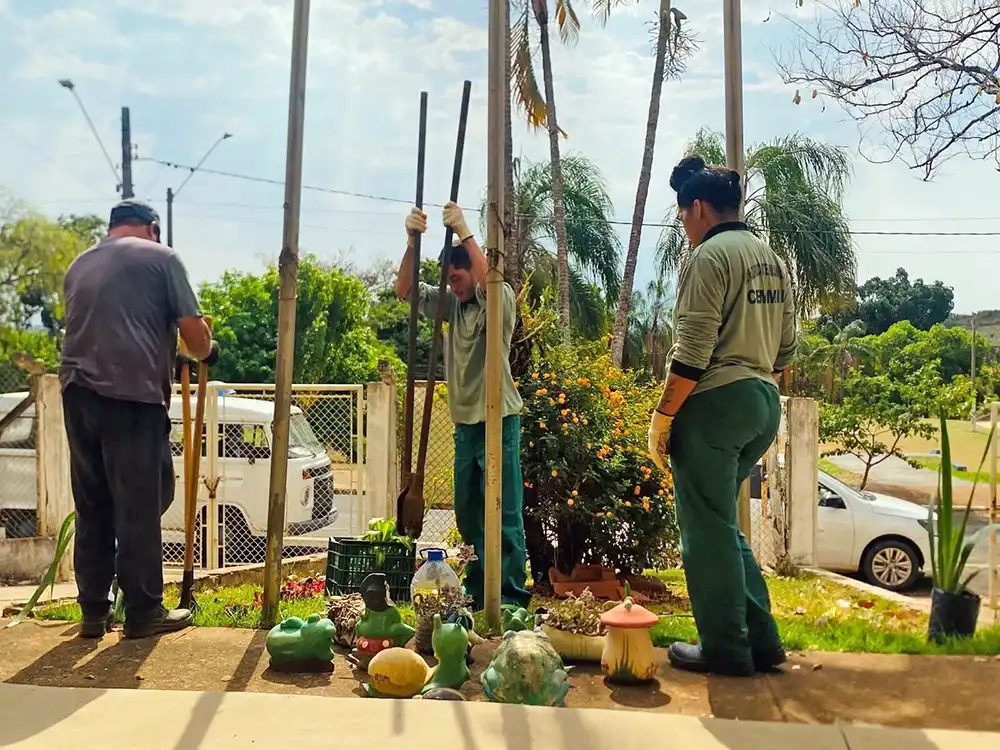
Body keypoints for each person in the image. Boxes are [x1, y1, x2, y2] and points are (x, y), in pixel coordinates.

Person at [646, 157, 797, 677]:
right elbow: (785, 351)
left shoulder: (708, 257)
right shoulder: (772, 260)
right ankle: (762, 642)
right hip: (762, 403)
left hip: (713, 406)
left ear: (700, 209)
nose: (685, 227)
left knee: (704, 535)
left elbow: (692, 352)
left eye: (683, 216)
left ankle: (726, 650)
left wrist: (663, 417)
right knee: (721, 526)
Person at [60, 199, 218, 639]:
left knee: (93, 505)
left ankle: (94, 611)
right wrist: (207, 351)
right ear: (152, 227)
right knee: (139, 505)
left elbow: (107, 324)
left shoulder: (79, 265)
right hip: (131, 395)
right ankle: (144, 611)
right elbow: (194, 336)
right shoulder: (163, 258)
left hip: (77, 394)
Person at [395, 201, 530, 610]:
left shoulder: (497, 298)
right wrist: (411, 243)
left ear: (472, 270)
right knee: (468, 514)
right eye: (448, 281)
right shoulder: (453, 304)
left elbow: (492, 284)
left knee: (503, 512)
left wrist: (465, 232)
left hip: (498, 420)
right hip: (465, 427)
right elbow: (405, 290)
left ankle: (509, 596)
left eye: (457, 278)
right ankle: (478, 588)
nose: (453, 287)